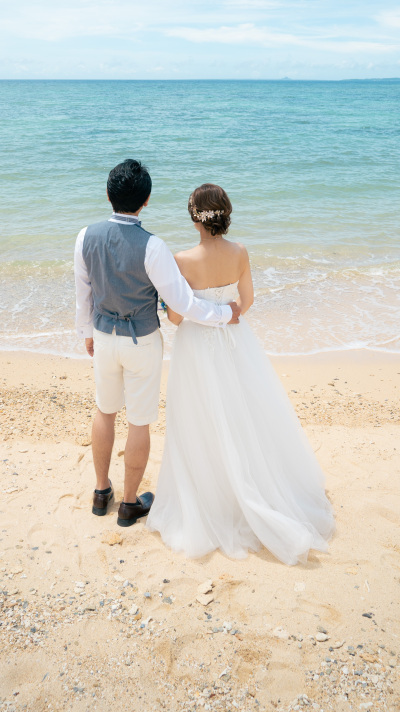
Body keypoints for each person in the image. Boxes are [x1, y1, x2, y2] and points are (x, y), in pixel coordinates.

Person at [147, 183, 335, 564]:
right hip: (236, 342)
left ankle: (213, 499)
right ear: (225, 214)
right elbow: (246, 302)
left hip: (197, 348)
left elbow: (177, 316)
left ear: (194, 218)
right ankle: (257, 487)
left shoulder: (182, 260)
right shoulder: (240, 253)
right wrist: (227, 310)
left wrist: (171, 305)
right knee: (245, 414)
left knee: (199, 421)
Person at [74, 160, 242, 527]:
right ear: (147, 200)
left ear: (107, 195)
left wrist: (87, 332)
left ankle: (102, 491)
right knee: (139, 422)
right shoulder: (153, 246)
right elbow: (183, 305)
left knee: (104, 411)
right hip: (142, 342)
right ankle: (130, 503)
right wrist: (225, 314)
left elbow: (82, 295)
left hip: (103, 338)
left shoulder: (85, 236)